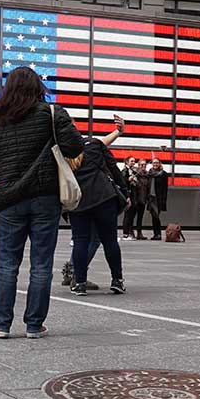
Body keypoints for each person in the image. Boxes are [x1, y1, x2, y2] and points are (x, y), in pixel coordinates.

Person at [0, 66, 82, 339]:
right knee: (41, 264)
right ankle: (34, 325)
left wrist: (6, 178)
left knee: (7, 264)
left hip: (9, 199)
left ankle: (0, 324)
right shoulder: (52, 113)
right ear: (38, 87)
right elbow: (75, 147)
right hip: (45, 197)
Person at [69, 127, 128, 296]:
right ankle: (117, 280)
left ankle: (79, 283)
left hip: (78, 199)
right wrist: (124, 191)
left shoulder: (63, 150)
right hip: (103, 197)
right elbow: (113, 167)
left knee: (80, 241)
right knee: (110, 241)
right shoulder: (94, 144)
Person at [120, 157, 138, 240]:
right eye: (131, 161)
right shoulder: (124, 171)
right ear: (127, 162)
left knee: (131, 214)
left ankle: (129, 232)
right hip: (128, 195)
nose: (133, 163)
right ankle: (125, 233)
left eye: (134, 161)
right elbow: (122, 182)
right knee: (128, 214)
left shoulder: (133, 171)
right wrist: (128, 180)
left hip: (133, 195)